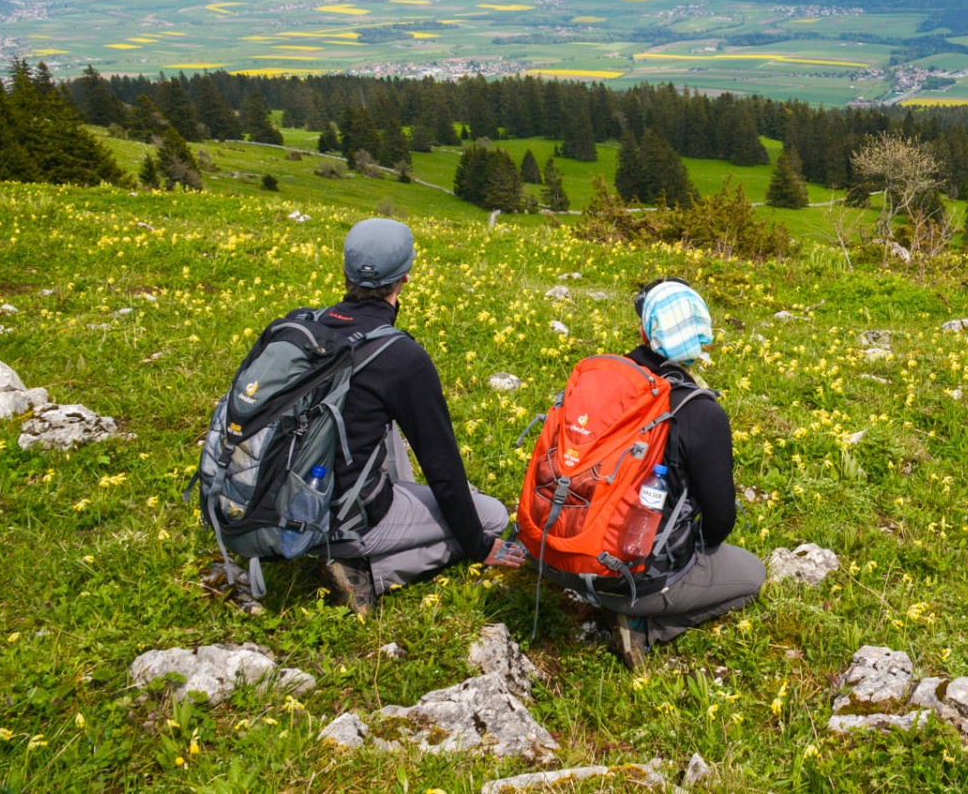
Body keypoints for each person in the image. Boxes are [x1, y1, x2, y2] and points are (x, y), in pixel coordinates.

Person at [555, 278, 765, 667]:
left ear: (643, 333)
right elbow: (720, 521)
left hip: (562, 557)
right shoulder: (701, 411)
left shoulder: (604, 382)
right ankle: (645, 623)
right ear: (704, 339)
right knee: (752, 575)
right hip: (631, 577)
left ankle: (604, 593)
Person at [316, 217, 521, 615]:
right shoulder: (400, 357)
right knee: (493, 518)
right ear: (404, 279)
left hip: (290, 501)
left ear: (345, 273)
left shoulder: (304, 327)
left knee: (378, 415)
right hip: (345, 519)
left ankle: (356, 542)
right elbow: (442, 468)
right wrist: (479, 545)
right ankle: (370, 571)